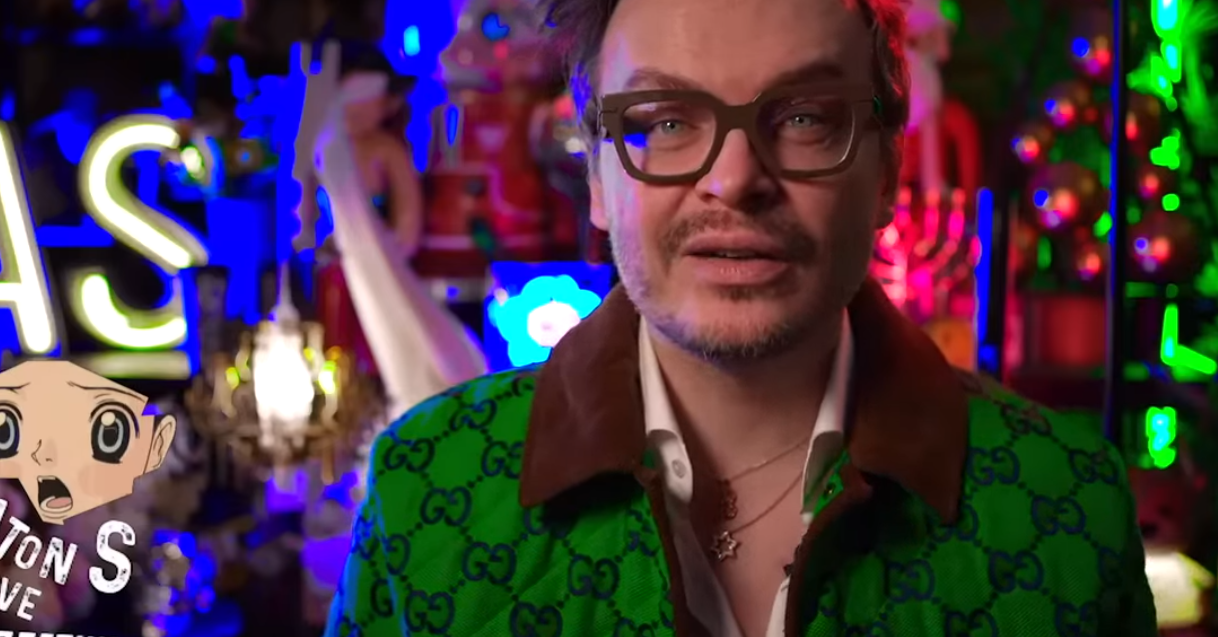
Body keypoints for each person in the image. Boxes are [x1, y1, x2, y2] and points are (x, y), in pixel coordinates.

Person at [324, 0, 1158, 635]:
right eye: (665, 121)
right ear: (597, 177)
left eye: (803, 118)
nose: (733, 180)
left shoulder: (1068, 509)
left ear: (886, 170)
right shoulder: (424, 488)